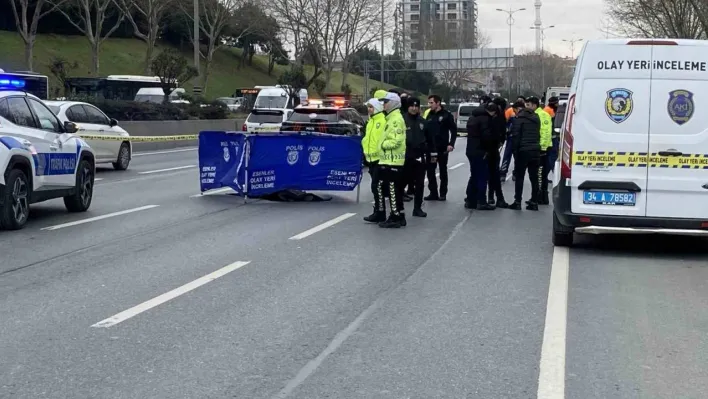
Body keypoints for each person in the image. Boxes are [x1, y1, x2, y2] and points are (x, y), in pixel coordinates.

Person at [376, 92, 407, 228]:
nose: (384, 104)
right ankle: (399, 215)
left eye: (386, 102)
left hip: (392, 160)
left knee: (393, 189)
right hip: (388, 160)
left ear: (393, 103)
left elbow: (396, 141)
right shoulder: (390, 118)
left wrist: (382, 145)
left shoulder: (395, 119)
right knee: (394, 189)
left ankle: (395, 216)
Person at [402, 98, 436, 217]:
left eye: (416, 106)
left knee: (420, 184)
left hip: (420, 157)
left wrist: (432, 155)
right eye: (411, 106)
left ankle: (417, 208)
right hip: (404, 157)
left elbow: (430, 140)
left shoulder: (423, 122)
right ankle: (398, 209)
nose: (414, 108)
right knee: (401, 183)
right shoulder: (402, 120)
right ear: (408, 107)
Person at [509, 98, 541, 211]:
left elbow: (516, 137)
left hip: (523, 151)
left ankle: (517, 201)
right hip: (535, 150)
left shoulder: (519, 119)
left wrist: (515, 151)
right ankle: (534, 201)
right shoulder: (536, 118)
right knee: (534, 177)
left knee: (520, 177)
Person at [464, 102, 498, 211]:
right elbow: (486, 136)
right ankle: (481, 201)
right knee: (482, 176)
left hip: (471, 149)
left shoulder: (473, 117)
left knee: (474, 175)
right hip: (481, 150)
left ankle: (470, 199)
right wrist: (490, 148)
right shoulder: (486, 119)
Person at [424, 94, 457, 201]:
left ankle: (443, 193)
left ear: (438, 103)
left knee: (442, 170)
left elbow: (453, 130)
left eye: (431, 103)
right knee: (430, 171)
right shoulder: (429, 114)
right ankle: (433, 192)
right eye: (429, 103)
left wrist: (451, 144)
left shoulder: (446, 115)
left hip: (442, 148)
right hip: (431, 148)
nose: (429, 105)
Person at [362, 96, 387, 223]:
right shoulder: (370, 121)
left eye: (371, 107)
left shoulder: (382, 120)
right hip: (370, 159)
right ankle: (378, 210)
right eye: (368, 107)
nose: (369, 110)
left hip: (379, 159)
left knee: (377, 187)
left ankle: (380, 212)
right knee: (375, 187)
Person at [486, 97, 510, 208]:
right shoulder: (498, 116)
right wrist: (500, 141)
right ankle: (498, 198)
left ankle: (489, 196)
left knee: (484, 174)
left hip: (485, 149)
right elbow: (501, 132)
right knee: (494, 174)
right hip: (492, 149)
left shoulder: (486, 115)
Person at [533, 97, 553, 205]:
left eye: (528, 105)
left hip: (543, 147)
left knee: (541, 173)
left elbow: (545, 132)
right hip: (540, 146)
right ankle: (539, 196)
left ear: (534, 105)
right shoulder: (536, 114)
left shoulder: (542, 114)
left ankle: (542, 197)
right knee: (539, 173)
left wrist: (543, 147)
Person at [500, 100, 526, 181]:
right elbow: (504, 123)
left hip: (520, 140)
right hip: (511, 139)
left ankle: (516, 173)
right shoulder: (510, 113)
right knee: (506, 156)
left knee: (518, 158)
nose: (514, 111)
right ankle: (503, 173)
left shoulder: (525, 116)